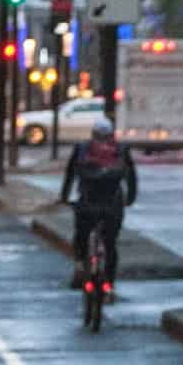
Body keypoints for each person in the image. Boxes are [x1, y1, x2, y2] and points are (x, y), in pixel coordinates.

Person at [57, 116, 135, 298]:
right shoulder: (121, 150)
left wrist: (64, 197)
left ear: (93, 134)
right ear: (111, 134)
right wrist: (130, 199)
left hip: (87, 203)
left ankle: (80, 268)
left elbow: (70, 174)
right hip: (112, 205)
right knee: (110, 244)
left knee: (81, 237)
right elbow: (131, 178)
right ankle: (109, 284)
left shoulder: (82, 149)